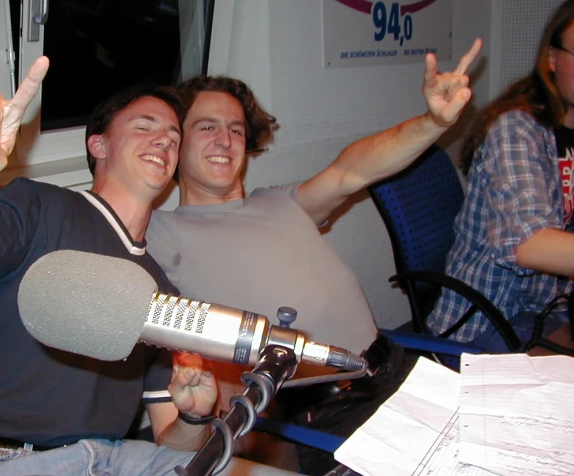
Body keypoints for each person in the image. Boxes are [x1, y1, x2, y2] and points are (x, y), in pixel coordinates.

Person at [0, 56, 323, 476]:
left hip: (122, 466)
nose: (164, 140)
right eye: (145, 127)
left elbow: (173, 442)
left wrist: (193, 414)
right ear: (99, 145)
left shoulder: (160, 292)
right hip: (5, 466)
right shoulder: (39, 207)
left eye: (173, 135)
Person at [144, 40, 482, 380]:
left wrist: (433, 122)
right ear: (177, 141)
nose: (225, 139)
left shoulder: (278, 201)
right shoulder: (163, 231)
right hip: (317, 409)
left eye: (236, 129)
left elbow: (351, 171)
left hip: (389, 364)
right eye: (207, 127)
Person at [427, 0, 574, 352]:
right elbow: (531, 244)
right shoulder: (517, 128)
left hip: (545, 307)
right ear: (552, 58)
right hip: (487, 322)